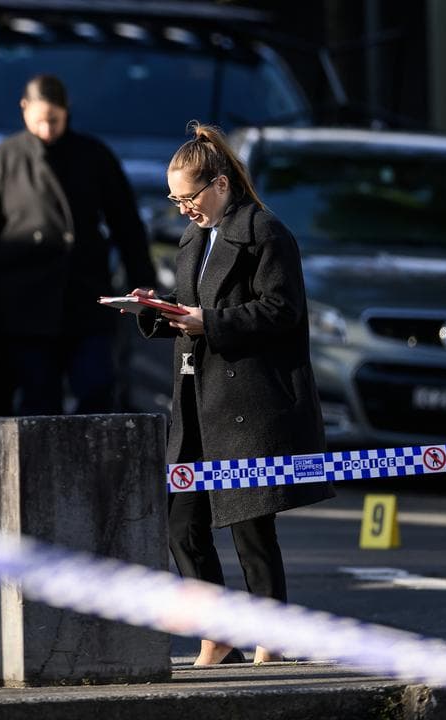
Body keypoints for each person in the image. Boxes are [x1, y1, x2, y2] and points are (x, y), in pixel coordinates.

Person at [130, 123, 334, 666]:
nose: (183, 210)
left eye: (189, 198)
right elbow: (191, 302)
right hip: (197, 400)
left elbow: (282, 310)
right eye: (174, 200)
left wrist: (210, 323)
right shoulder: (194, 238)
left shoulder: (266, 233)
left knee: (250, 523)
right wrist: (155, 310)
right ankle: (216, 631)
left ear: (220, 184)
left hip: (249, 404)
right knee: (182, 524)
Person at [0, 74, 156, 415]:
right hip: (24, 302)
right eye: (39, 121)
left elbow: (126, 224)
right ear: (24, 110)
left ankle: (87, 464)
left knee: (96, 387)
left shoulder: (93, 156)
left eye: (55, 121)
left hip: (85, 294)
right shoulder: (5, 158)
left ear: (67, 113)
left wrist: (142, 280)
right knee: (38, 400)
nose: (47, 130)